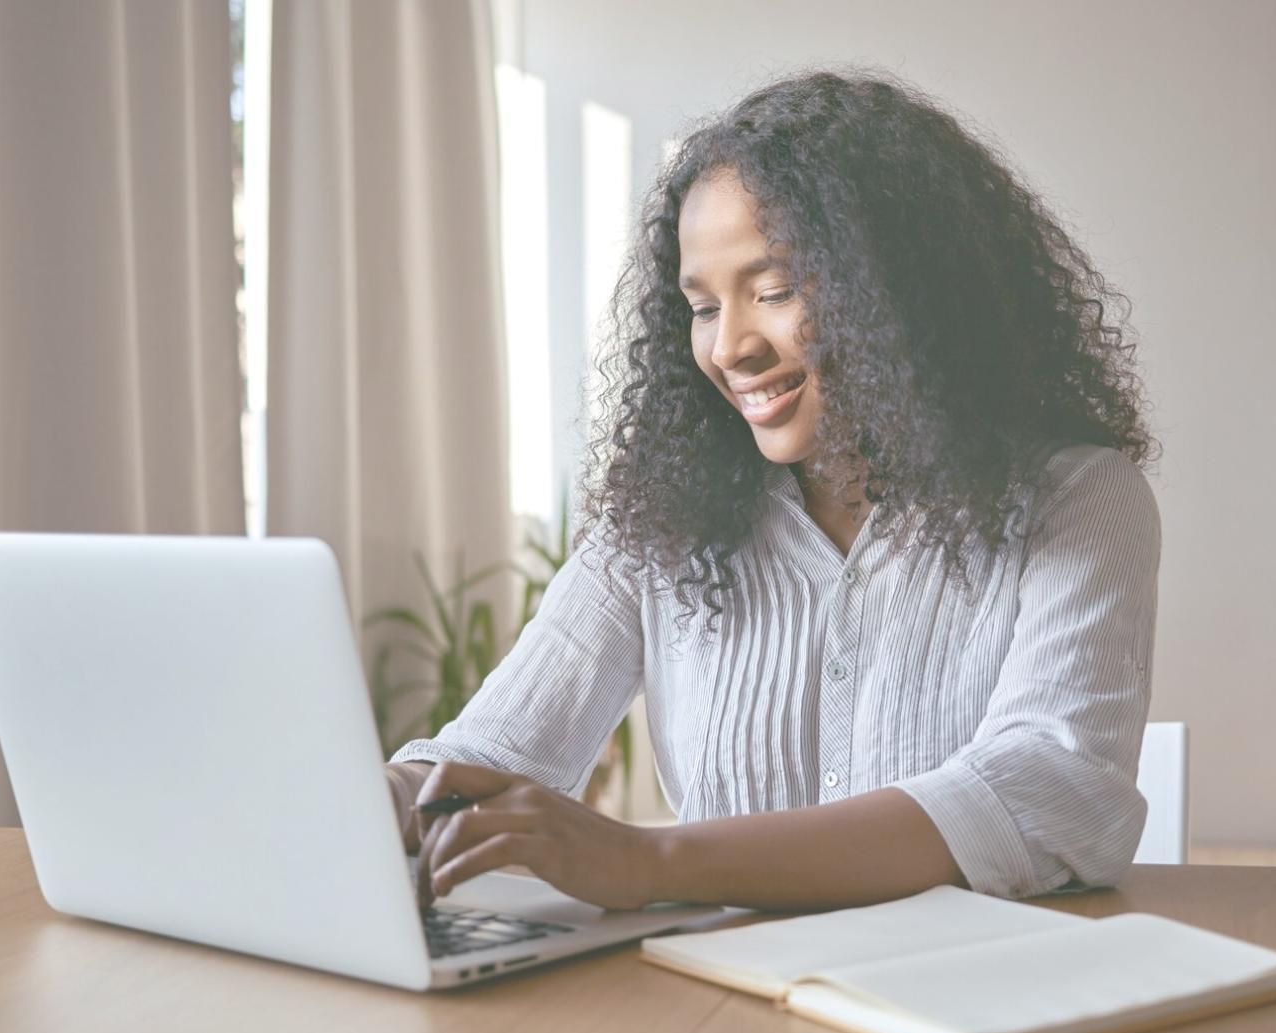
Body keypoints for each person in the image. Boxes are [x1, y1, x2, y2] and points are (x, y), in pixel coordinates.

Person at [387, 69, 1160, 913]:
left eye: (775, 291)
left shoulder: (1078, 500)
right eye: (701, 307)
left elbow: (1045, 791)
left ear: (903, 287)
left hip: (969, 985)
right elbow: (491, 756)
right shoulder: (660, 523)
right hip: (718, 990)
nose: (729, 348)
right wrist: (384, 799)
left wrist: (653, 860)